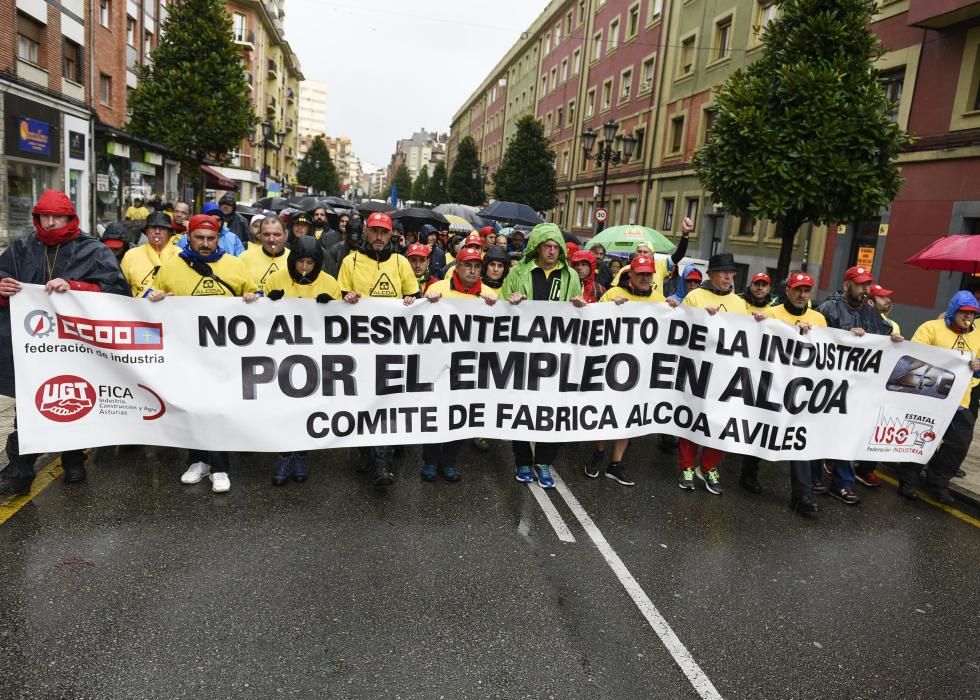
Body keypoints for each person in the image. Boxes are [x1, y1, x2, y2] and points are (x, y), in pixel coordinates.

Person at [0, 190, 131, 496]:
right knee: (33, 404)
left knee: (74, 399)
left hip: (77, 345)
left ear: (70, 218)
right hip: (34, 345)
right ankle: (19, 471)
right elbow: (2, 272)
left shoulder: (93, 250)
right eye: (44, 216)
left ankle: (74, 458)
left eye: (57, 216)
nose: (50, 222)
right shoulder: (22, 247)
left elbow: (118, 293)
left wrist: (75, 288)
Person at [147, 214, 258, 493]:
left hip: (225, 355)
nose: (206, 244)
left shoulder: (235, 265)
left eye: (211, 238)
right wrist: (154, 298)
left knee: (219, 409)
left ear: (219, 238)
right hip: (188, 354)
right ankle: (197, 460)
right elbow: (150, 305)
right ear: (188, 236)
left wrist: (253, 299)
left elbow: (258, 302)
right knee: (193, 408)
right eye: (200, 238)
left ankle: (220, 466)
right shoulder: (171, 267)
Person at [339, 211, 418, 491]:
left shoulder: (400, 262)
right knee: (361, 403)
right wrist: (345, 297)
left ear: (391, 235)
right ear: (366, 233)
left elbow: (414, 296)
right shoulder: (350, 261)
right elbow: (340, 299)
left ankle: (383, 463)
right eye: (374, 231)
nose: (379, 237)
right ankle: (364, 452)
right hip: (359, 348)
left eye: (384, 232)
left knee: (385, 404)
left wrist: (411, 299)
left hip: (392, 347)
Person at [501, 222, 584, 489]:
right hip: (524, 354)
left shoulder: (570, 275)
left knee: (553, 409)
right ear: (537, 248)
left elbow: (577, 310)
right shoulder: (520, 271)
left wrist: (580, 305)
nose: (551, 251)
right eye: (547, 246)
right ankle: (523, 461)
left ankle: (544, 462)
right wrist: (510, 300)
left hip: (556, 356)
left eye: (556, 247)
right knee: (522, 407)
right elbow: (501, 306)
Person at [743, 272, 828, 515]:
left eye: (807, 290)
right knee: (761, 431)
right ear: (787, 291)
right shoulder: (771, 314)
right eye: (798, 290)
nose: (802, 295)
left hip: (800, 391)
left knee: (798, 439)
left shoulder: (819, 319)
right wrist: (758, 323)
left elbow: (831, 352)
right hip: (771, 385)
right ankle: (748, 473)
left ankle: (802, 495)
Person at [817, 265, 903, 502]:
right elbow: (816, 340)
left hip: (858, 388)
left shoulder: (871, 313)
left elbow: (882, 338)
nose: (866, 289)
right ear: (847, 286)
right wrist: (845, 335)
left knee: (849, 434)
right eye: (861, 284)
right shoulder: (828, 308)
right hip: (829, 385)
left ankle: (842, 483)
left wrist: (893, 341)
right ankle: (813, 476)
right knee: (820, 430)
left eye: (868, 284)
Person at [263, 236, 342, 486]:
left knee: (307, 409)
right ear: (292, 261)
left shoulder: (329, 283)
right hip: (282, 357)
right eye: (300, 262)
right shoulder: (276, 280)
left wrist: (332, 308)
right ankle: (285, 455)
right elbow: (258, 318)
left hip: (314, 358)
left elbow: (340, 323)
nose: (305, 267)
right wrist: (268, 303)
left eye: (310, 262)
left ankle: (301, 456)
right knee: (285, 409)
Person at [586, 255, 666, 486]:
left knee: (629, 416)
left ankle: (616, 463)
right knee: (606, 412)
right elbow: (593, 324)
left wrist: (673, 309)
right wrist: (611, 308)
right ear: (629, 274)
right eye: (640, 273)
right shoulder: (613, 295)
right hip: (611, 366)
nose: (644, 278)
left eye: (648, 274)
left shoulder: (660, 301)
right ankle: (599, 452)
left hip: (641, 369)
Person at [420, 248, 499, 482]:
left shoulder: (488, 294)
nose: (473, 270)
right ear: (457, 267)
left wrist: (498, 307)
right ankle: (430, 461)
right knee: (435, 413)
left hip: (470, 366)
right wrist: (427, 303)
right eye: (468, 265)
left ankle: (449, 461)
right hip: (439, 364)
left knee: (461, 414)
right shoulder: (438, 289)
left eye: (477, 266)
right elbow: (419, 320)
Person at [896, 291, 980, 504]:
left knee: (959, 444)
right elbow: (914, 357)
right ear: (953, 311)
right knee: (920, 439)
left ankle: (937, 482)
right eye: (964, 313)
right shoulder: (930, 328)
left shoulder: (978, 333)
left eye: (972, 314)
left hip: (961, 401)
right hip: (929, 397)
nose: (968, 318)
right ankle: (908, 479)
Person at [677, 252, 749, 495]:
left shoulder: (740, 304)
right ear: (711, 275)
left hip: (726, 374)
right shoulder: (695, 297)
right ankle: (687, 466)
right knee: (692, 417)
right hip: (697, 369)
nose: (729, 277)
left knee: (722, 422)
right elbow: (679, 329)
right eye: (723, 272)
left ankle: (709, 466)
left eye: (732, 273)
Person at [120, 211, 177, 297]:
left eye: (162, 228)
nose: (157, 232)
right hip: (139, 308)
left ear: (170, 233)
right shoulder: (131, 255)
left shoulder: (180, 255)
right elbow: (120, 288)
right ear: (146, 232)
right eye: (153, 228)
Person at [176, 202, 245, 256]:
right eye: (211, 219)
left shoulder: (233, 238)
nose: (215, 223)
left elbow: (241, 262)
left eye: (218, 220)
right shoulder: (187, 238)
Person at [241, 215, 288, 288]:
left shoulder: (294, 258)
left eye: (276, 234)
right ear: (260, 235)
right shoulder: (244, 258)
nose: (271, 239)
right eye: (266, 234)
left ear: (285, 235)